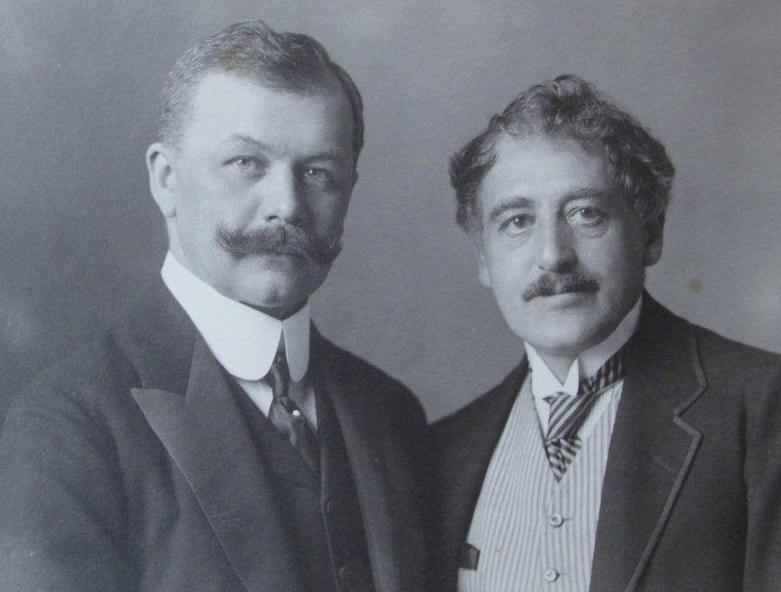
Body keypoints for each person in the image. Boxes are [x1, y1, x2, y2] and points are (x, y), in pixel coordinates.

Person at [0, 20, 426, 592]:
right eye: (246, 163)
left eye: (318, 173)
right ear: (166, 180)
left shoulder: (391, 414)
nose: (287, 205)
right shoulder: (68, 427)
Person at [427, 74, 781, 592]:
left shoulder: (761, 406)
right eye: (517, 221)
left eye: (585, 213)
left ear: (651, 233)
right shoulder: (443, 453)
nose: (553, 255)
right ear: (483, 257)